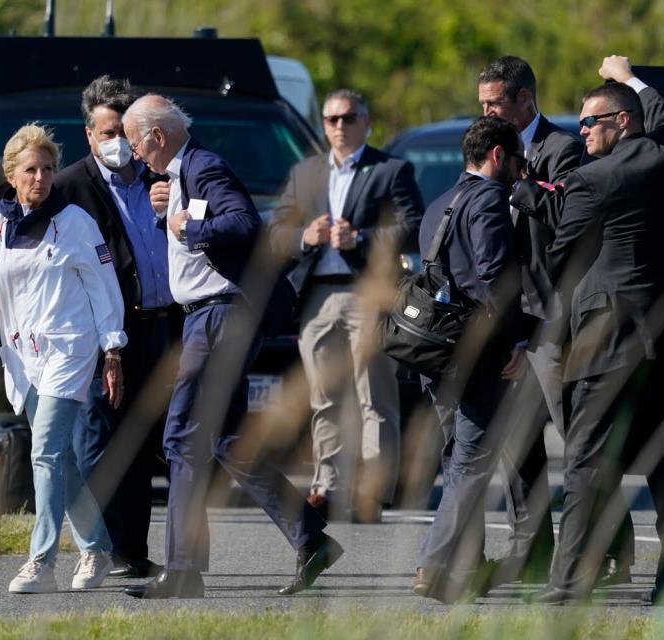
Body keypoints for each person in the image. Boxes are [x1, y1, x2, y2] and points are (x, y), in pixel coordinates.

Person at [529, 55, 664, 604]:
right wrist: (630, 78)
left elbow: (558, 261)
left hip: (608, 341)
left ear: (622, 122)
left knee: (585, 464)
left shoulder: (592, 181)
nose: (582, 132)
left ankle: (568, 585)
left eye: (590, 122)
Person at [120, 94, 339, 599]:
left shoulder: (204, 166)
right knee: (229, 443)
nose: (134, 154)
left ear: (157, 135)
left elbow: (242, 223)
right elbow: (200, 236)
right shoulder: (179, 176)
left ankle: (183, 570)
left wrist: (186, 224)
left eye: (135, 142)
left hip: (219, 315)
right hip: (211, 315)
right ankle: (311, 540)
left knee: (181, 437)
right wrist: (167, 213)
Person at [479, 56, 634, 587]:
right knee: (515, 440)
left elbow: (569, 217)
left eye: (495, 103)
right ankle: (533, 551)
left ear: (525, 99)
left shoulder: (563, 148)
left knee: (578, 439)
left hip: (553, 320)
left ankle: (614, 551)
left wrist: (522, 184)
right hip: (511, 321)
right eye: (482, 105)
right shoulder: (489, 151)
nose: (487, 112)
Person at [0, 123, 126, 594]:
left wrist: (112, 349)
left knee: (45, 452)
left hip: (68, 349)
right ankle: (96, 548)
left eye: (48, 169)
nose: (41, 178)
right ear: (11, 174)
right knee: (60, 460)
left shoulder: (75, 222)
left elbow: (104, 289)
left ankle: (41, 561)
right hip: (20, 355)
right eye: (31, 170)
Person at [269, 89, 423, 522]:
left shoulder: (390, 169)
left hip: (367, 290)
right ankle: (327, 487)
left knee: (374, 394)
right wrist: (306, 236)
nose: (339, 126)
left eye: (348, 118)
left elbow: (413, 225)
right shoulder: (305, 172)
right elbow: (277, 231)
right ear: (323, 124)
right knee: (324, 397)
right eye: (332, 119)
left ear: (365, 121)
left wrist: (364, 238)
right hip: (318, 293)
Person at [56, 75, 177, 579]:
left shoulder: (158, 178)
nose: (117, 144)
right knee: (98, 444)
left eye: (124, 133)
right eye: (106, 132)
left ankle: (131, 551)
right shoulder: (68, 188)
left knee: (145, 442)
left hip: (162, 327)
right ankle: (101, 545)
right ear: (89, 135)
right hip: (103, 337)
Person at [411, 115, 526, 604]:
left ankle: (458, 568)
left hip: (434, 353)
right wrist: (517, 339)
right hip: (477, 354)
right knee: (472, 465)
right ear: (497, 155)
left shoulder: (439, 203)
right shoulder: (489, 199)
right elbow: (493, 275)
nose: (521, 170)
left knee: (459, 461)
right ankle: (431, 565)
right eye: (518, 160)